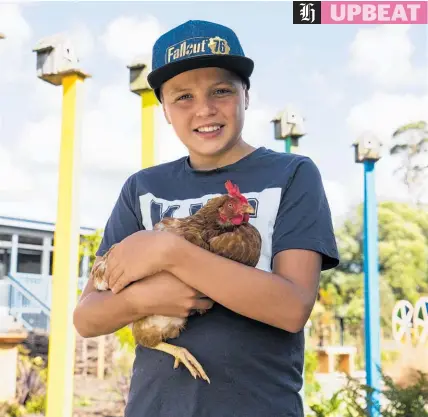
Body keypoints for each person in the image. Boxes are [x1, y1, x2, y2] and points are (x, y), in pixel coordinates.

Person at [73, 19, 339, 417]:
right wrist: (144, 298)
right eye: (183, 96)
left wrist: (169, 252)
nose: (204, 109)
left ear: (246, 95)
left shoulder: (292, 175)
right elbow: (87, 317)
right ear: (163, 108)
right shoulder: (142, 188)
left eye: (221, 91)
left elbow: (292, 308)